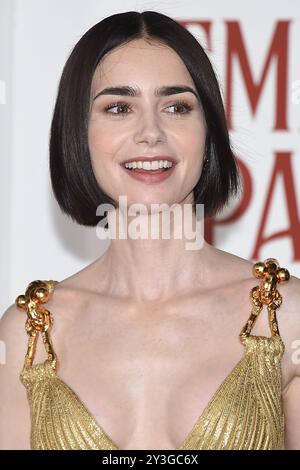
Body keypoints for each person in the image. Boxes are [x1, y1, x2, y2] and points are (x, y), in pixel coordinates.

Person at [0, 10, 299, 451]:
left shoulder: (287, 317)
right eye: (119, 108)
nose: (151, 133)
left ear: (208, 131)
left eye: (177, 106)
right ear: (78, 133)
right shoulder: (28, 333)